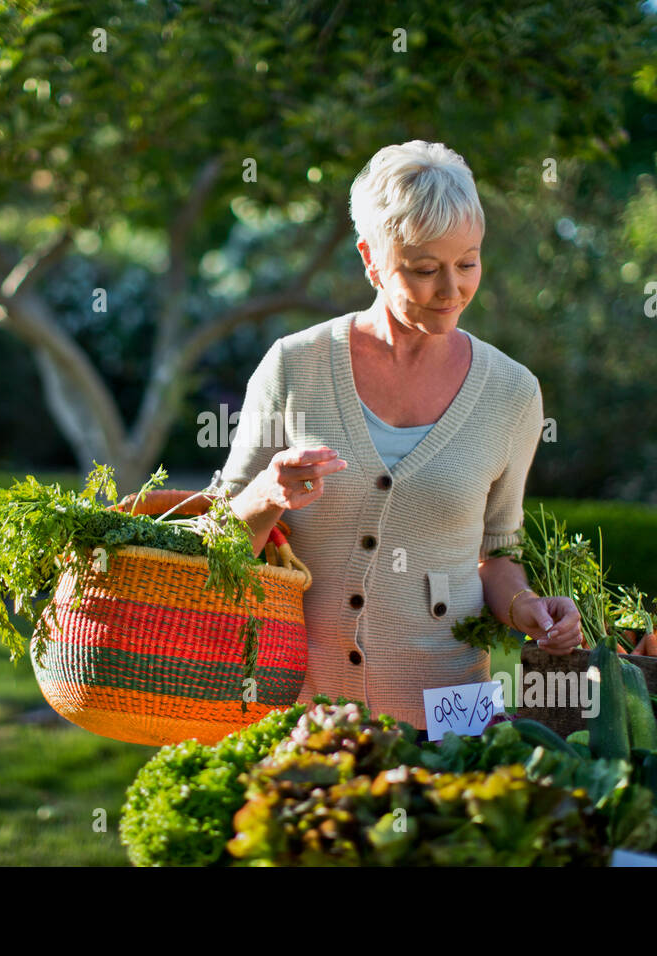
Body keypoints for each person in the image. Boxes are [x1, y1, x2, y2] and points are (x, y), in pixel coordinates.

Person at [214, 140, 582, 733]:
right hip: (293, 701)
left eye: (468, 263)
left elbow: (497, 553)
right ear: (370, 258)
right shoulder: (294, 366)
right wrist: (267, 495)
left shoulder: (512, 393)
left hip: (450, 711)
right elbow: (218, 544)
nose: (452, 290)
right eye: (425, 269)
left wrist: (528, 609)